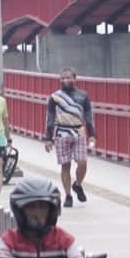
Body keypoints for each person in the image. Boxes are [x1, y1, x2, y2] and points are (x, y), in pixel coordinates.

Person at [43, 67, 96, 207]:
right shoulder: (55, 97)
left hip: (79, 131)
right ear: (60, 80)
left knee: (82, 162)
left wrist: (92, 135)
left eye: (69, 78)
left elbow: (89, 116)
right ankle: (68, 195)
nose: (66, 80)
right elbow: (49, 118)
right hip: (62, 132)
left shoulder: (83, 95)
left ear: (75, 79)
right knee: (65, 165)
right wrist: (48, 138)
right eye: (63, 78)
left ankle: (77, 184)